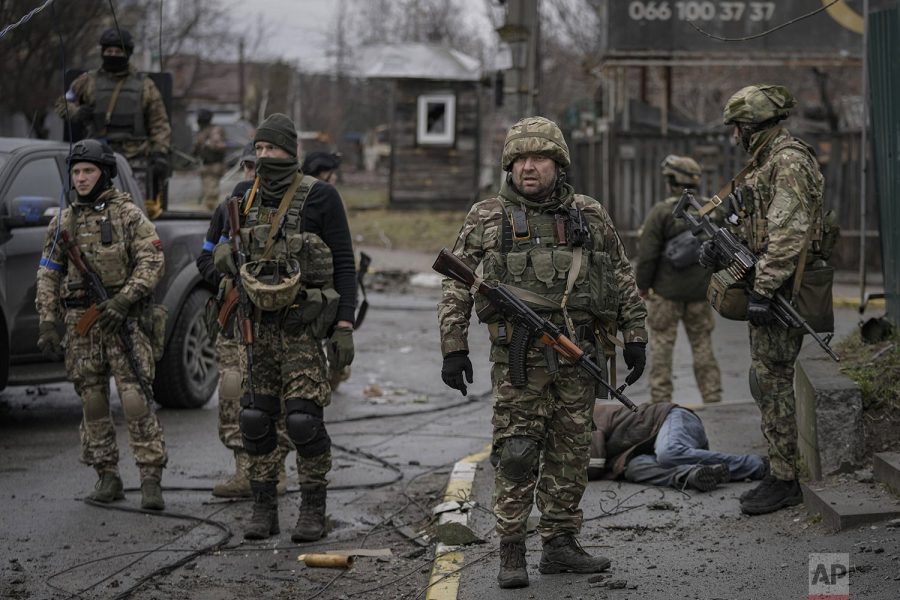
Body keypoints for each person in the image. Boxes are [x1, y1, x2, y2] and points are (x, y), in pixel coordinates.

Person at [437, 116, 648, 589]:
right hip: (519, 361)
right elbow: (455, 286)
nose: (528, 168)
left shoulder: (588, 214)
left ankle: (560, 545)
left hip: (578, 357)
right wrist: (454, 347)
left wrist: (636, 334)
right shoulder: (486, 216)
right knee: (515, 452)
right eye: (519, 159)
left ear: (558, 163)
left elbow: (619, 274)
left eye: (539, 158)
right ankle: (511, 550)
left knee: (572, 453)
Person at [212, 113, 357, 542]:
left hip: (303, 328)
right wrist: (223, 256)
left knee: (303, 421)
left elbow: (344, 263)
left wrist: (344, 324)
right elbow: (219, 248)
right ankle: (263, 507)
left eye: (270, 149)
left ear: (289, 151)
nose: (263, 156)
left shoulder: (321, 197)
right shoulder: (242, 197)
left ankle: (313, 508)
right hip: (256, 330)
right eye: (257, 149)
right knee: (256, 419)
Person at [701, 84, 825, 515]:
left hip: (784, 291)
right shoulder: (768, 162)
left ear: (751, 127)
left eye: (737, 127)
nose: (734, 135)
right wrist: (722, 247)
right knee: (765, 380)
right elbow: (757, 228)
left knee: (771, 381)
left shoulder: (787, 162)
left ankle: (784, 478)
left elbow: (788, 235)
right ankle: (779, 469)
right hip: (773, 284)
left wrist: (764, 289)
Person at [35, 139, 167, 510]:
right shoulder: (63, 222)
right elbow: (48, 273)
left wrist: (125, 298)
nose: (80, 178)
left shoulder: (128, 216)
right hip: (81, 324)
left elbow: (152, 261)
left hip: (122, 321)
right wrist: (47, 320)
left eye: (88, 171)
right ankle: (106, 475)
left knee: (134, 400)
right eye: (75, 172)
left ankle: (150, 476)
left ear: (103, 173)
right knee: (92, 400)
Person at [196, 143, 290, 498]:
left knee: (272, 392)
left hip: (271, 315)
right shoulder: (229, 208)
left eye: (259, 166)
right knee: (233, 389)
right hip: (235, 313)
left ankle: (276, 468)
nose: (253, 173)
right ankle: (242, 469)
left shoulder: (284, 209)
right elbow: (204, 260)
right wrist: (224, 276)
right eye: (249, 166)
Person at [635, 155, 722, 405]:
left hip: (665, 295)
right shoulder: (710, 211)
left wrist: (643, 286)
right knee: (703, 347)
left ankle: (661, 403)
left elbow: (648, 256)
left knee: (662, 349)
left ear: (672, 180)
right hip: (700, 294)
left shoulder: (662, 212)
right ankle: (714, 398)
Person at [55, 28, 171, 201]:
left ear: (128, 53)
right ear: (102, 52)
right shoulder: (87, 81)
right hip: (96, 156)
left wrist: (160, 154)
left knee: (133, 208)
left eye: (118, 51)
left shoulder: (145, 85)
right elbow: (62, 104)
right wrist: (77, 112)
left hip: (134, 159)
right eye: (109, 51)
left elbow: (159, 123)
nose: (113, 55)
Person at [588, 402, 767, 490]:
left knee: (668, 453)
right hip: (655, 450)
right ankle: (692, 474)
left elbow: (594, 463)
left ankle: (757, 465)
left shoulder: (586, 414)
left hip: (673, 419)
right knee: (634, 469)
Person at [301, 151, 351, 390]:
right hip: (321, 289)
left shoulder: (315, 194)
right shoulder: (321, 195)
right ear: (324, 173)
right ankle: (333, 375)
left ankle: (334, 373)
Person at [194, 108, 227, 211]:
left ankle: (214, 216)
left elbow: (219, 146)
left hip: (213, 166)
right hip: (206, 167)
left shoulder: (213, 131)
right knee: (208, 194)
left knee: (211, 195)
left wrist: (208, 145)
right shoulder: (203, 131)